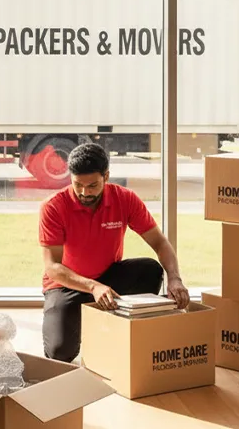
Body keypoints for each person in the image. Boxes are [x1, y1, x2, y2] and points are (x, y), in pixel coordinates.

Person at [40, 143, 190, 363]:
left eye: (92, 185)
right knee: (60, 352)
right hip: (67, 286)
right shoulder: (53, 207)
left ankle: (119, 324)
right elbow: (52, 267)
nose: (84, 192)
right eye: (77, 185)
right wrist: (92, 286)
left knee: (150, 270)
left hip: (108, 278)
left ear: (106, 176)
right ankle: (87, 318)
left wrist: (175, 279)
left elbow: (159, 242)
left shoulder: (125, 199)